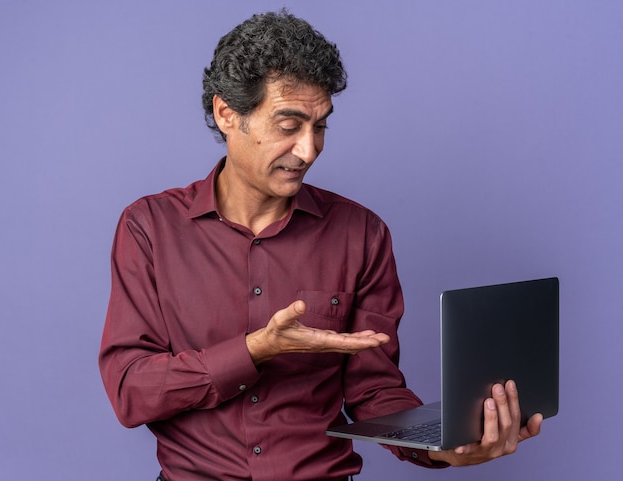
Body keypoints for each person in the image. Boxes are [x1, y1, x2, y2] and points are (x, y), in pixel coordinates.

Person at [99, 10, 542, 481]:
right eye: (289, 125)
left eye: (321, 126)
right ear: (227, 114)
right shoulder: (149, 227)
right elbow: (132, 390)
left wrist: (440, 447)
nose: (309, 151)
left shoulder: (362, 234)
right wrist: (256, 349)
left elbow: (376, 390)